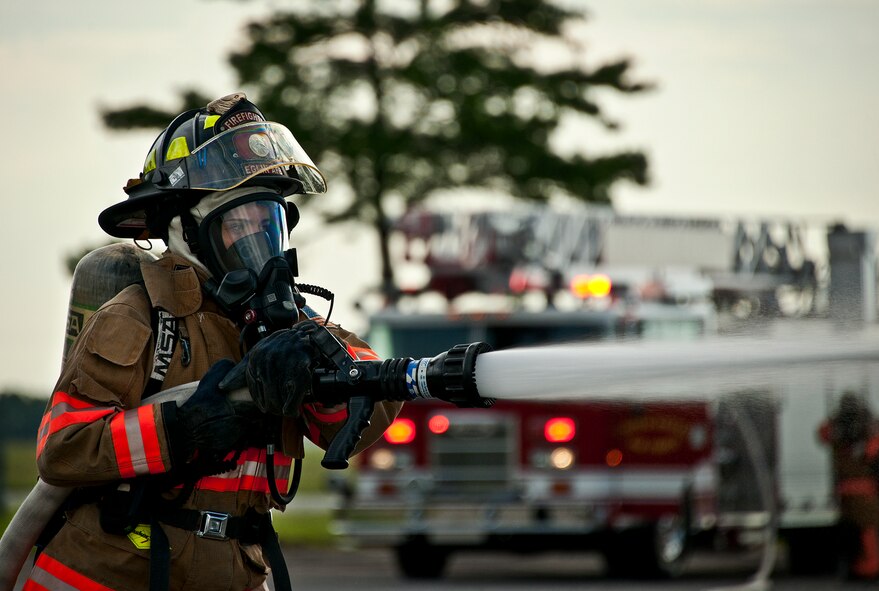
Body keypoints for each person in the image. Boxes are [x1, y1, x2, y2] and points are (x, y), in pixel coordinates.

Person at [23, 93, 402, 591]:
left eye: (269, 223)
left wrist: (317, 355)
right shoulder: (135, 317)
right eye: (238, 223)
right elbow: (63, 448)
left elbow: (360, 410)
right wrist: (185, 428)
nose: (257, 241)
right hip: (114, 573)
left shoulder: (288, 328)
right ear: (187, 230)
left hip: (234, 571)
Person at [818, 391, 879, 580]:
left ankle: (865, 567)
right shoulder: (868, 433)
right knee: (864, 532)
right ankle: (866, 568)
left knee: (859, 532)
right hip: (864, 492)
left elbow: (823, 433)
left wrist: (837, 419)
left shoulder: (839, 433)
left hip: (850, 492)